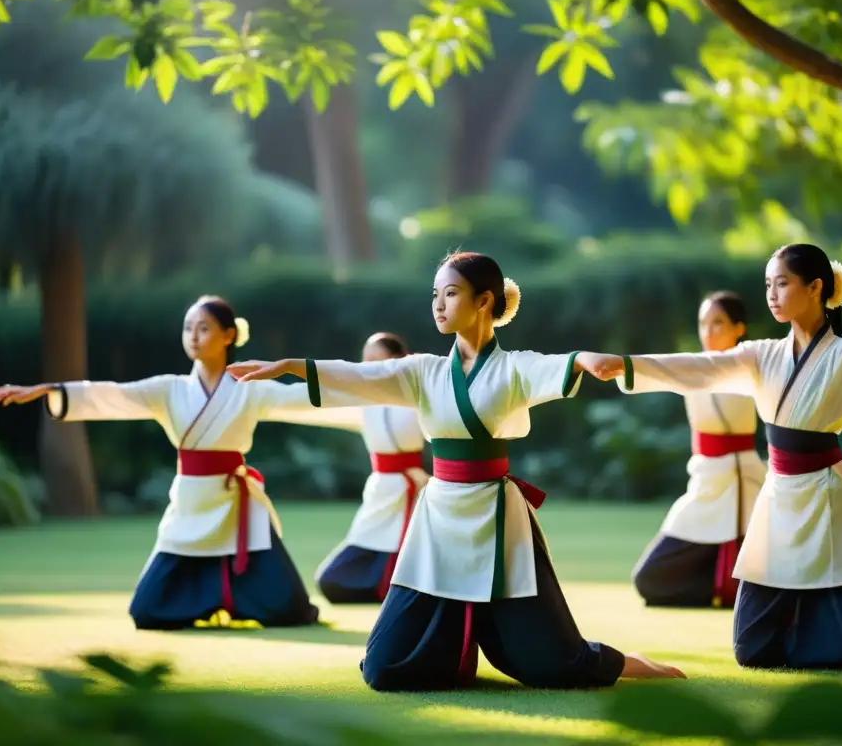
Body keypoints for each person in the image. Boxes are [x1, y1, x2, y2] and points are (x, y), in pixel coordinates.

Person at [227, 251, 686, 690]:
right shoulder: (423, 371)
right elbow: (359, 376)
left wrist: (587, 360)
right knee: (384, 669)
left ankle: (624, 663)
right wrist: (288, 366)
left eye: (449, 294)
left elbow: (557, 365)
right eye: (434, 295)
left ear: (484, 301)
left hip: (496, 517)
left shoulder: (513, 368)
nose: (438, 305)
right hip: (439, 514)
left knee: (552, 663)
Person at [607, 243, 842, 670]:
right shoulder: (761, 354)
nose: (772, 294)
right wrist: (626, 365)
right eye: (768, 285)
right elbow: (699, 367)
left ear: (815, 288)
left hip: (829, 496)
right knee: (753, 649)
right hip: (777, 498)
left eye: (782, 283)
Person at [0, 295, 329, 631]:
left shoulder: (250, 389)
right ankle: (210, 602)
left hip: (235, 502)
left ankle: (235, 601)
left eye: (204, 328)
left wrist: (370, 394)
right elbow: (115, 394)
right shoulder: (169, 390)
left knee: (290, 609)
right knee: (147, 611)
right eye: (188, 328)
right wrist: (51, 390)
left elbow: (301, 398)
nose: (193, 336)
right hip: (191, 502)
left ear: (228, 336)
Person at [632, 292, 766, 608]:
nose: (709, 331)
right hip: (706, 484)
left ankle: (741, 590)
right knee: (649, 578)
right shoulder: (692, 366)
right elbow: (654, 369)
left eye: (718, 323)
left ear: (739, 328)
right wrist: (611, 366)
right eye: (703, 323)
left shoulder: (754, 369)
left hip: (743, 485)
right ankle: (726, 588)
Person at [313, 332, 432, 604]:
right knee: (332, 579)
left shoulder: (420, 397)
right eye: (366, 361)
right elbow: (315, 399)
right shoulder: (360, 399)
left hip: (416, 490)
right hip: (380, 492)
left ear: (400, 361)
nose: (370, 367)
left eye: (378, 360)